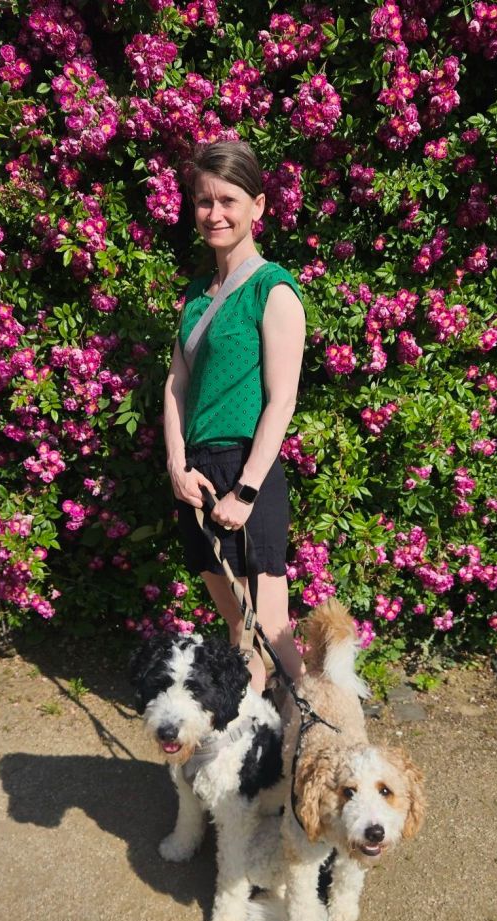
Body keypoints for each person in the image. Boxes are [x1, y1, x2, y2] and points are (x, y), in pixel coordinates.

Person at [163, 140, 306, 695]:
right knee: (236, 628)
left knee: (269, 629)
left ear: (258, 206)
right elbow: (176, 385)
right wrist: (177, 465)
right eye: (204, 201)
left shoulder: (273, 290)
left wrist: (244, 492)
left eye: (228, 200)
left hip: (246, 471)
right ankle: (254, 738)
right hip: (195, 475)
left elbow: (281, 401)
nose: (214, 213)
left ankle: (316, 729)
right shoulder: (195, 297)